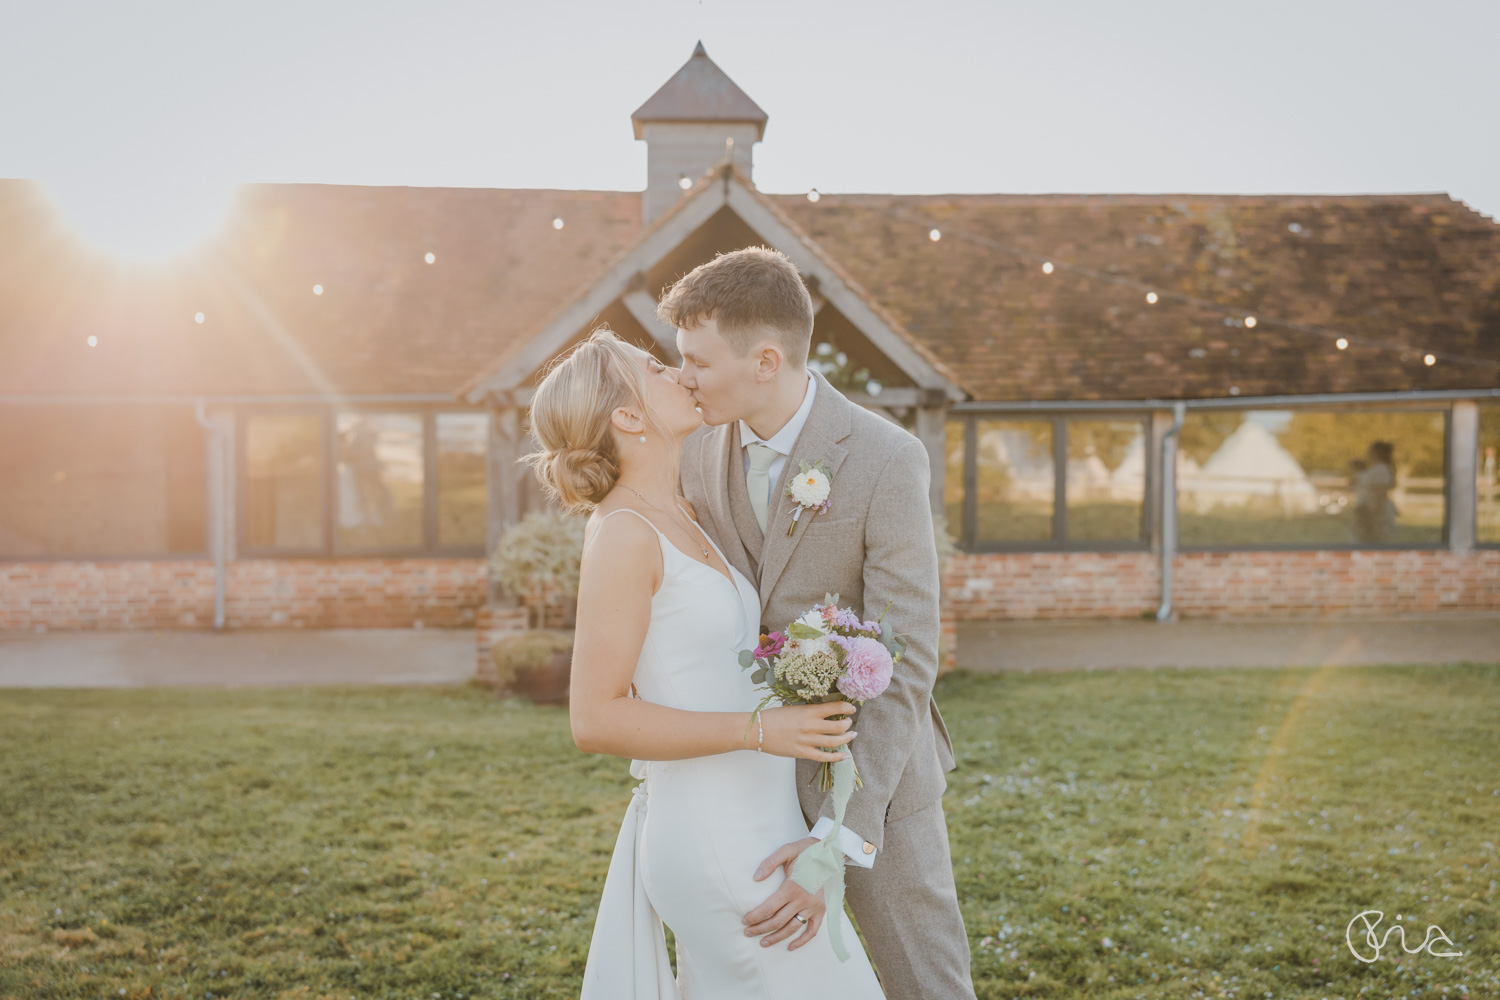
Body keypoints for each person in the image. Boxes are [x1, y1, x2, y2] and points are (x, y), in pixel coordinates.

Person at [523, 327, 886, 998]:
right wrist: (758, 730)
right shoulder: (625, 533)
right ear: (628, 417)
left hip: (765, 827)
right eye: (659, 368)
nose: (683, 374)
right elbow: (594, 718)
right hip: (718, 844)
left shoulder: (685, 512)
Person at [666, 247, 976, 1000]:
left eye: (697, 361)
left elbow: (905, 658)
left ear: (765, 360)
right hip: (741, 784)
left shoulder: (884, 458)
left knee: (924, 985)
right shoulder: (696, 448)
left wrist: (841, 833)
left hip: (873, 787)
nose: (682, 378)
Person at [1348, 440, 1398, 544]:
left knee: (1375, 539)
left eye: (1370, 451)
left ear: (1376, 453)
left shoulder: (1382, 470)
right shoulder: (1374, 469)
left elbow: (1380, 493)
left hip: (1374, 511)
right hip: (1367, 510)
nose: (1368, 454)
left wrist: (1374, 514)